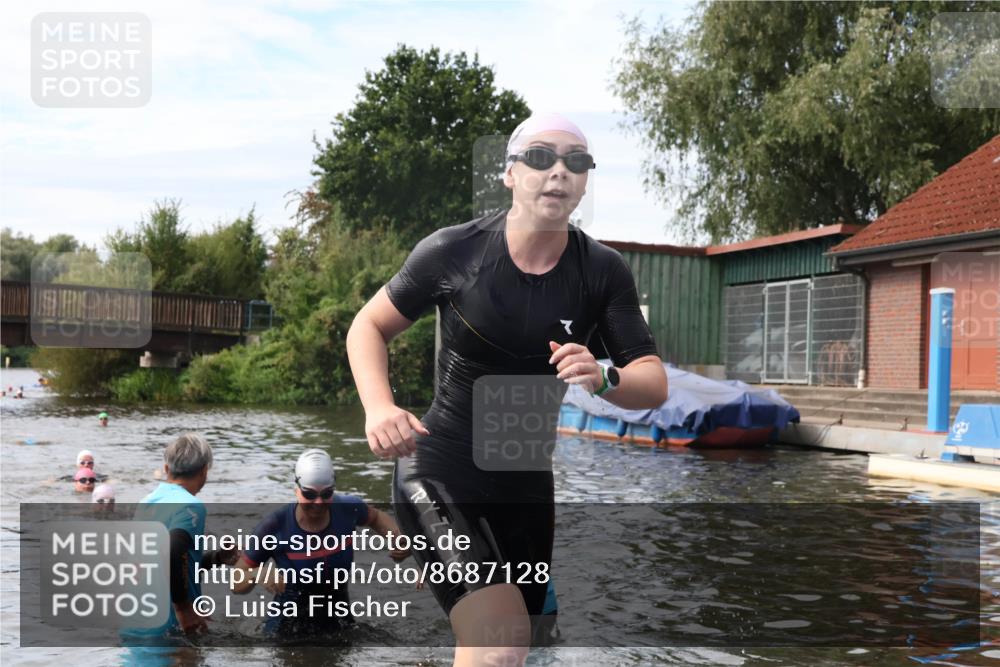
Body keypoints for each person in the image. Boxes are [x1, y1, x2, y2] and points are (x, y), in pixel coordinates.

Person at [346, 112, 667, 666]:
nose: (558, 172)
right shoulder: (454, 252)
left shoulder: (603, 271)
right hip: (442, 467)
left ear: (586, 179)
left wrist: (605, 374)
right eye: (541, 157)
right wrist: (379, 406)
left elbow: (653, 383)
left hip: (525, 486)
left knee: (528, 645)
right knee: (499, 642)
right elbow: (367, 327)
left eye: (576, 161)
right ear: (511, 173)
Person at [230, 449, 409, 638]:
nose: (318, 502)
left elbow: (376, 517)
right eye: (309, 494)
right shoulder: (274, 526)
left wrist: (397, 538)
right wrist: (257, 573)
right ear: (296, 490)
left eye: (326, 494)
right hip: (287, 632)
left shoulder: (347, 508)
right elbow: (235, 583)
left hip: (339, 624)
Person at [125, 433, 237, 640]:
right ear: (204, 471)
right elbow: (173, 550)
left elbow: (158, 564)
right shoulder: (190, 506)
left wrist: (216, 558)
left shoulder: (146, 503)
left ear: (167, 469)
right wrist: (184, 609)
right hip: (170, 629)